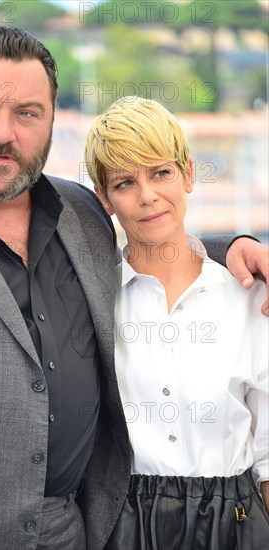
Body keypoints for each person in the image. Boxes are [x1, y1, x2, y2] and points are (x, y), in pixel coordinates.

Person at [0, 26, 267, 550]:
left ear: (51, 123)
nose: (3, 132)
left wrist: (234, 248)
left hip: (76, 532)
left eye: (27, 113)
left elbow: (155, 238)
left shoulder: (80, 213)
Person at [85, 95, 269, 549]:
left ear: (188, 174)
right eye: (125, 182)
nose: (147, 195)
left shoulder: (250, 297)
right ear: (104, 199)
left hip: (237, 523)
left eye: (160, 172)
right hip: (124, 527)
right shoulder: (91, 305)